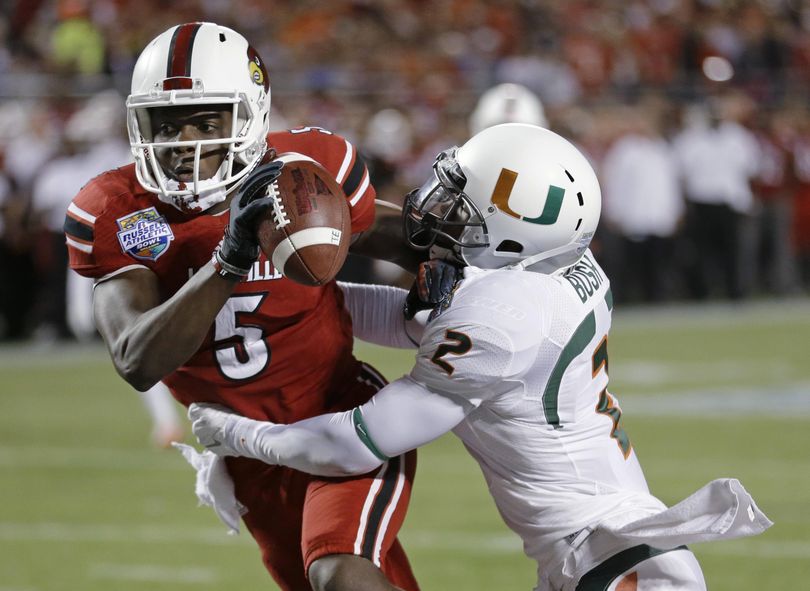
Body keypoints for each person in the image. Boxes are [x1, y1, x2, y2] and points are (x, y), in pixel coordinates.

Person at [190, 123, 773, 591]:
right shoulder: (551, 273)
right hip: (602, 545)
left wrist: (239, 435)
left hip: (610, 556)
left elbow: (352, 443)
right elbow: (418, 322)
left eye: (461, 202)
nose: (438, 206)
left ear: (515, 231)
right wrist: (291, 304)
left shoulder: (504, 318)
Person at [63, 22, 421, 591]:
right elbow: (137, 360)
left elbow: (403, 238)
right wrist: (227, 260)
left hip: (343, 417)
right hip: (246, 454)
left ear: (251, 115)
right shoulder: (116, 210)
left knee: (342, 574)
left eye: (207, 121)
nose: (185, 144)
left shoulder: (306, 169)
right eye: (168, 123)